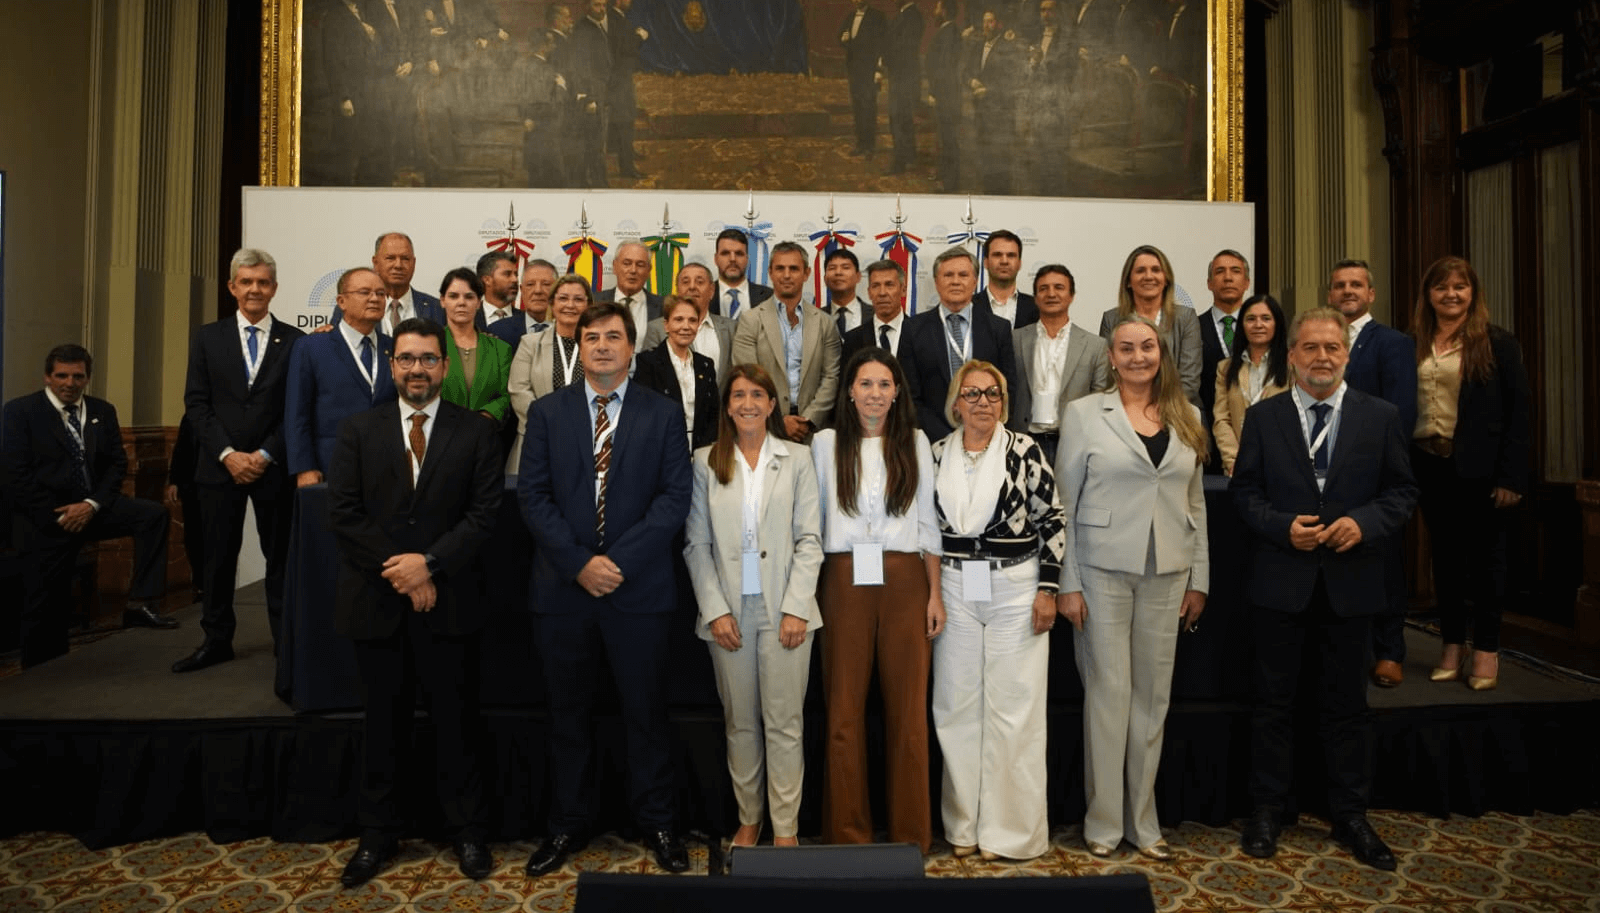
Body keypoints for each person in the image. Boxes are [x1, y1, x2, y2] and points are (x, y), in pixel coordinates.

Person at [1231, 306, 1417, 872]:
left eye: (1332, 347)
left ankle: (1350, 814)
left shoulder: (1380, 417)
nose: (1321, 357)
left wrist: (1364, 523)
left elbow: (1401, 493)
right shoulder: (1263, 417)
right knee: (1273, 705)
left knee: (1347, 708)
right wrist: (1279, 526)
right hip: (1280, 582)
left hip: (1350, 583)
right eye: (1310, 347)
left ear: (1347, 354)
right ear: (1291, 356)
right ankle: (1267, 810)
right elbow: (1245, 494)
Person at [518, 302, 692, 876]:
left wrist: (615, 563)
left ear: (631, 347)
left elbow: (674, 499)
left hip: (638, 591)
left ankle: (659, 823)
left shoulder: (663, 414)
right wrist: (580, 564)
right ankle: (566, 825)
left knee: (646, 715)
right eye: (590, 337)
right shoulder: (547, 412)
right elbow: (533, 497)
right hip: (564, 592)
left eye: (612, 337)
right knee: (567, 717)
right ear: (580, 345)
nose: (600, 346)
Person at [327, 318, 502, 887]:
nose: (417, 369)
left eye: (428, 359)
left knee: (458, 724)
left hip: (451, 602)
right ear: (392, 365)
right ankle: (377, 835)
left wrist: (430, 564)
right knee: (383, 726)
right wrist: (404, 572)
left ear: (444, 367)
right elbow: (345, 514)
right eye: (406, 359)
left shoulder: (475, 433)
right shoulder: (358, 429)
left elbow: (484, 515)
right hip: (377, 604)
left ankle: (469, 831)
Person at [1055, 316, 1208, 860]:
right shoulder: (1084, 414)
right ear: (1112, 358)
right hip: (1101, 571)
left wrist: (1200, 578)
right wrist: (1068, 581)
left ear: (1160, 353)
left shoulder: (1188, 415)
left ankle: (1143, 822)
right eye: (1127, 348)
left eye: (1147, 346)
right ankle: (1103, 823)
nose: (1138, 356)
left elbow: (1195, 503)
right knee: (1108, 696)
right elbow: (1064, 504)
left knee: (1152, 699)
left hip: (1168, 572)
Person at [930, 359, 1065, 861]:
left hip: (1015, 589)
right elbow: (927, 531)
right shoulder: (936, 453)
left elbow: (1053, 518)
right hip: (954, 587)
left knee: (1014, 712)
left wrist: (1048, 589)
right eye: (972, 393)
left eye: (992, 394)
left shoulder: (1024, 450)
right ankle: (963, 825)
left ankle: (1010, 832)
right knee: (956, 708)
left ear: (1004, 403)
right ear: (956, 402)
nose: (982, 402)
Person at [685, 364, 823, 848]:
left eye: (757, 395)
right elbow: (696, 544)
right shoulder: (705, 461)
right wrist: (714, 610)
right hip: (727, 609)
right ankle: (749, 818)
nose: (748, 403)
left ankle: (785, 827)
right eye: (738, 395)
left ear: (772, 404)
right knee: (740, 723)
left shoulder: (798, 458)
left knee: (785, 724)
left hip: (784, 606)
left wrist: (797, 606)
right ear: (727, 406)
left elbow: (810, 539)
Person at [812, 347, 943, 853]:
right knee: (843, 712)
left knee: (908, 713)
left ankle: (910, 835)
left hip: (905, 578)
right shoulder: (825, 444)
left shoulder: (914, 441)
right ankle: (848, 835)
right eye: (865, 384)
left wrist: (935, 595)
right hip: (844, 578)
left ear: (897, 392)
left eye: (884, 384)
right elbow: (813, 520)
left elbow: (928, 524)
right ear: (849, 391)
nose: (874, 393)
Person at [2, 344, 178, 667]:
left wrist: (91, 505)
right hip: (46, 519)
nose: (69, 383)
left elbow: (116, 464)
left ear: (87, 378)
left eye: (77, 376)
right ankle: (39, 672)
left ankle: (139, 603)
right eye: (62, 376)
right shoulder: (20, 412)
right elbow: (16, 475)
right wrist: (60, 515)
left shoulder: (102, 410)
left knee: (152, 516)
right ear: (47, 377)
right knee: (44, 605)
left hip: (93, 509)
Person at [173, 248, 306, 673]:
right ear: (232, 287)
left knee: (280, 559)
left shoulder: (296, 342)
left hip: (274, 467)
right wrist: (228, 455)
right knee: (217, 559)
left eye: (263, 282)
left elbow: (296, 409)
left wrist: (265, 454)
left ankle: (286, 642)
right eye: (246, 282)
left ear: (275, 288)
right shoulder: (207, 338)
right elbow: (196, 404)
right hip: (218, 467)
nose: (254, 289)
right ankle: (216, 640)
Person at [1409, 256, 1530, 691]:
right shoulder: (1414, 343)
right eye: (1441, 287)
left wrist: (1511, 477)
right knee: (1446, 563)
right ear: (1428, 295)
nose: (1451, 294)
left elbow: (1519, 414)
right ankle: (1452, 645)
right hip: (1429, 466)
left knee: (1486, 563)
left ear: (1472, 292)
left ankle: (1486, 650)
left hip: (1482, 470)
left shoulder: (1497, 343)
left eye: (1459, 287)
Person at [1327, 258, 1418, 688]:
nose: (1348, 291)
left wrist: (1379, 463)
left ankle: (1389, 651)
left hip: (1375, 469)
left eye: (1356, 285)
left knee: (1385, 563)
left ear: (1371, 294)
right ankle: (1351, 651)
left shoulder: (1392, 343)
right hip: (1327, 469)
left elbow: (1401, 411)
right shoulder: (1322, 341)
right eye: (1340, 285)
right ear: (1330, 294)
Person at [286, 267, 398, 487]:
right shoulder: (312, 347)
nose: (375, 299)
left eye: (380, 293)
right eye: (364, 292)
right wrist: (304, 467)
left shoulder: (394, 348)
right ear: (341, 301)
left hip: (387, 469)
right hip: (330, 467)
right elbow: (297, 414)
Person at [902, 246, 1019, 441]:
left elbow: (1008, 389)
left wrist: (985, 432)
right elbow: (909, 395)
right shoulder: (913, 329)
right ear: (936, 282)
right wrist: (945, 437)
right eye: (948, 275)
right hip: (932, 440)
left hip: (987, 437)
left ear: (975, 281)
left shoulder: (998, 328)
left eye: (963, 275)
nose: (955, 281)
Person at [730, 241, 843, 443]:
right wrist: (778, 421)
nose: (787, 275)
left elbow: (831, 377)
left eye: (794, 269)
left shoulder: (825, 323)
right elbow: (747, 378)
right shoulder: (750, 320)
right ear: (770, 273)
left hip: (812, 431)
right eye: (780, 268)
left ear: (806, 273)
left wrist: (807, 421)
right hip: (764, 428)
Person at [1008, 264, 1109, 465]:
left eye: (1059, 287)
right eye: (1043, 288)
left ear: (1072, 296)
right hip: (1023, 442)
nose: (1051, 294)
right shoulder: (1014, 339)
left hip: (1074, 445)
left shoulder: (1095, 346)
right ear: (1036, 297)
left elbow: (1100, 403)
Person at [1095, 246, 1201, 411]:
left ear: (1166, 279)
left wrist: (1155, 413)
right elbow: (1108, 375)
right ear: (1128, 281)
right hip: (1125, 412)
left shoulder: (1186, 317)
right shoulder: (1111, 319)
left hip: (1179, 411)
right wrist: (1134, 413)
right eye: (1140, 271)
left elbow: (1189, 380)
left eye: (1156, 270)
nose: (1149, 276)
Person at [507, 274, 593, 469]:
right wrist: (551, 425)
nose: (570, 305)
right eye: (563, 298)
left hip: (586, 442)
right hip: (537, 441)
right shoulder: (530, 343)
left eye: (578, 299)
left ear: (588, 305)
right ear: (552, 304)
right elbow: (519, 390)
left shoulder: (597, 346)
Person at [1212, 293, 1291, 476]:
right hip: (1238, 468)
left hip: (1282, 467)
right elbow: (1222, 419)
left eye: (1266, 318)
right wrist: (1235, 460)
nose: (1258, 325)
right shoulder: (1225, 368)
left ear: (1277, 324)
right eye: (1251, 319)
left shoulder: (1292, 367)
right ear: (1242, 325)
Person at [632, 295, 719, 452]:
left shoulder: (705, 365)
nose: (686, 326)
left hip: (701, 451)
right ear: (666, 325)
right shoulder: (648, 362)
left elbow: (714, 415)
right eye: (679, 320)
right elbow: (642, 414)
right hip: (661, 449)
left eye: (692, 320)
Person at [436, 267, 512, 427]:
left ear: (478, 303)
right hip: (440, 432)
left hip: (486, 433)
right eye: (453, 296)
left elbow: (506, 396)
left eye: (469, 297)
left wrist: (483, 418)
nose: (461, 303)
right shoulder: (431, 346)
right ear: (442, 301)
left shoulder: (500, 349)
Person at [1198, 250, 1251, 471]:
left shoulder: (1261, 330)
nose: (1228, 277)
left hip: (1253, 439)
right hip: (1204, 441)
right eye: (1220, 272)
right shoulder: (1193, 328)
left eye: (1235, 271)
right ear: (1209, 283)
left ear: (1247, 282)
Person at [641, 262, 737, 385]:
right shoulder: (656, 328)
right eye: (685, 282)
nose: (692, 287)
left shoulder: (731, 328)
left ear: (712, 290)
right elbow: (649, 378)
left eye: (699, 282)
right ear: (677, 289)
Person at [841, 259, 913, 362]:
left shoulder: (920, 336)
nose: (882, 293)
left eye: (889, 285)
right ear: (869, 293)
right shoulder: (853, 339)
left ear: (903, 290)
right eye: (875, 286)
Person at [839, 0, 886, 157]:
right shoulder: (850, 16)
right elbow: (841, 37)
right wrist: (843, 39)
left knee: (869, 107)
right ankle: (860, 144)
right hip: (854, 70)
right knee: (857, 106)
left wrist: (879, 70)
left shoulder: (877, 17)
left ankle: (869, 146)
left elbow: (881, 45)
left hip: (869, 70)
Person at [373, 232, 445, 331]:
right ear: (375, 263)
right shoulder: (362, 308)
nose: (398, 265)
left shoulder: (437, 308)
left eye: (405, 259)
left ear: (414, 263)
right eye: (390, 258)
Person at [884, 1, 924, 175]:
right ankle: (909, 155)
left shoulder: (912, 16)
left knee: (898, 118)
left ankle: (899, 161)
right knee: (903, 118)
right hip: (901, 75)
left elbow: (904, 48)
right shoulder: (904, 14)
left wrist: (885, 57)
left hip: (904, 76)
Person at [487, 259, 558, 352]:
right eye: (530, 284)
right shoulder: (497, 331)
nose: (538, 290)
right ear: (521, 290)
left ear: (557, 290)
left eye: (546, 284)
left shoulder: (572, 331)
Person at [972, 231, 1039, 328]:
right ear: (985, 262)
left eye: (1011, 255)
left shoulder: (1038, 307)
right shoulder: (969, 306)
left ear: (1019, 264)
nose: (1004, 261)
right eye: (997, 255)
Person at [596, 241, 662, 332]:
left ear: (648, 271)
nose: (633, 270)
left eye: (640, 265)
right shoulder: (594, 301)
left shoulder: (662, 306)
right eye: (627, 263)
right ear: (614, 267)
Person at [711, 229, 773, 318]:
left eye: (739, 254)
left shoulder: (769, 297)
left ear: (747, 259)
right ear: (716, 259)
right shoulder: (702, 296)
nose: (732, 259)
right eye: (725, 253)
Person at [820, 248, 871, 337]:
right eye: (832, 268)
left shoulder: (876, 315)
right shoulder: (814, 318)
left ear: (858, 276)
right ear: (825, 279)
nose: (838, 272)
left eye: (845, 267)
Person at [475, 250, 520, 328]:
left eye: (516, 275)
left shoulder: (527, 320)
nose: (515, 279)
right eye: (507, 274)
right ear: (487, 280)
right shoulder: (468, 320)